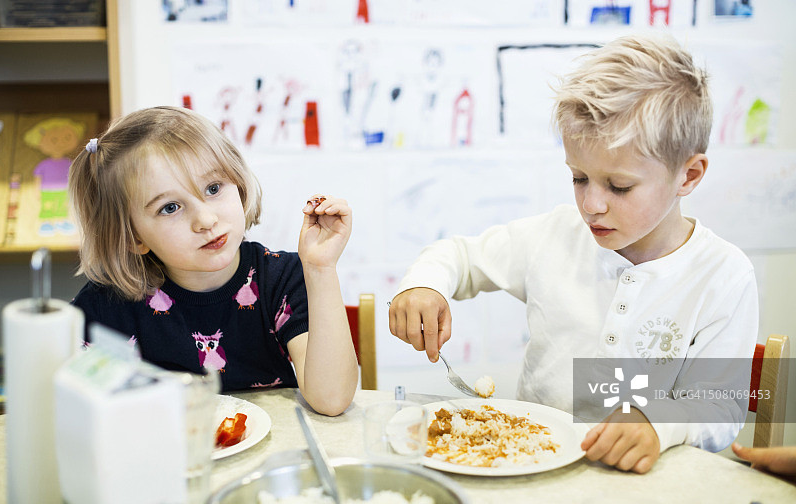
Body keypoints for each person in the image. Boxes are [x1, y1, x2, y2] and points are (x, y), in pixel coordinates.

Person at [388, 34, 758, 473]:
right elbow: (460, 257)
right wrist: (424, 284)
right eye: (579, 178)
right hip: (533, 465)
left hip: (651, 486)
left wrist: (659, 423)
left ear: (689, 175)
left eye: (618, 186)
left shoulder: (723, 275)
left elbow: (719, 407)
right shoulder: (555, 235)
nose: (591, 204)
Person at [68, 106, 357, 416]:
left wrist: (320, 269)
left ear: (239, 185)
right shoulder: (105, 307)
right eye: (170, 208)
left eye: (213, 188)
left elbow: (331, 400)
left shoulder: (282, 278)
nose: (205, 220)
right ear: (133, 237)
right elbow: (81, 419)